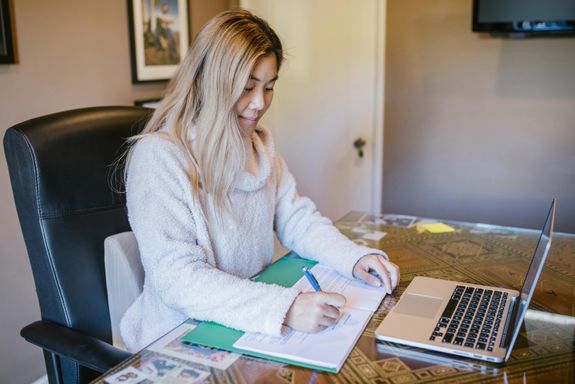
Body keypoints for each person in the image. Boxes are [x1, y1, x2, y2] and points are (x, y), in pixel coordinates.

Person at [120, 9, 400, 352]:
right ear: (212, 81)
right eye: (248, 87)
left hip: (247, 322)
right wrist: (285, 307)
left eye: (269, 87)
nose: (259, 103)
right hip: (178, 338)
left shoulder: (258, 148)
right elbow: (177, 280)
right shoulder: (160, 157)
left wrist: (353, 258)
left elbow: (298, 220)